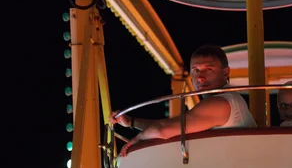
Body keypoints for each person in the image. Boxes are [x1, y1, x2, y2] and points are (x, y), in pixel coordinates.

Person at [109, 45, 256, 156]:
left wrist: (138, 138)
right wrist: (131, 122)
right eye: (195, 70)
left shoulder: (221, 103)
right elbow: (173, 125)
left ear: (226, 73)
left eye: (208, 69)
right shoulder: (226, 101)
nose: (200, 77)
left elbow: (163, 130)